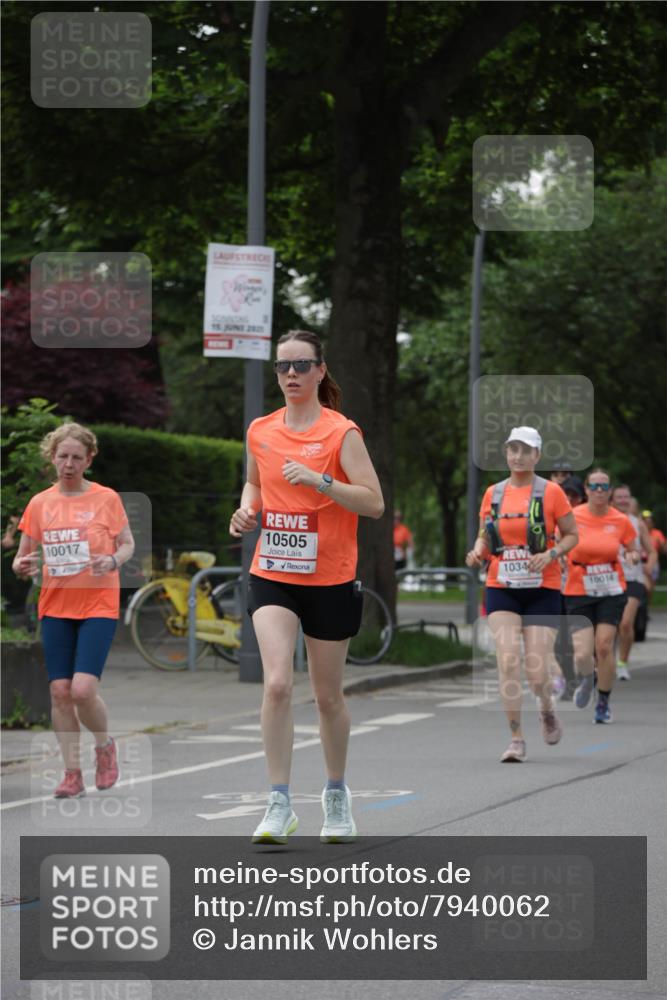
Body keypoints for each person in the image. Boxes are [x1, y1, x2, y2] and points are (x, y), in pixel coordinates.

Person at [230, 330, 384, 844]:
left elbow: (373, 503)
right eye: (283, 367)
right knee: (276, 683)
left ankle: (335, 794)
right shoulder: (261, 430)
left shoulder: (342, 433)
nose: (291, 374)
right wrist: (246, 510)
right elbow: (254, 483)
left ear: (320, 371)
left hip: (330, 576)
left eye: (301, 365)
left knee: (327, 697)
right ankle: (278, 802)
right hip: (273, 570)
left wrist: (321, 481)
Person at [12, 423, 134, 797]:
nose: (69, 464)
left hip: (98, 604)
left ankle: (104, 746)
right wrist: (21, 566)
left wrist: (112, 560)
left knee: (82, 689)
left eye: (77, 457)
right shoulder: (40, 503)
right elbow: (22, 557)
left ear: (89, 459)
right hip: (56, 606)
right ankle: (72, 773)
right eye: (62, 456)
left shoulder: (106, 498)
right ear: (52, 457)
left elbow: (127, 544)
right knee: (60, 691)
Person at [466, 427, 578, 763]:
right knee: (507, 660)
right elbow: (485, 535)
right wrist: (477, 551)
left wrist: (551, 553)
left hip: (542, 588)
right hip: (502, 586)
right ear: (506, 453)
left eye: (526, 450)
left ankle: (546, 709)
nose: (518, 456)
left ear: (537, 455)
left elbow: (572, 535)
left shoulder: (551, 492)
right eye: (513, 449)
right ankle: (516, 738)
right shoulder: (494, 493)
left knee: (537, 671)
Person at [563, 469, 638, 723]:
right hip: (578, 588)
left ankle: (603, 703)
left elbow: (631, 548)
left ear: (610, 491)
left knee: (604, 646)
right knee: (582, 654)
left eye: (603, 486)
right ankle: (588, 679)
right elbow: (557, 543)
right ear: (586, 490)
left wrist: (631, 556)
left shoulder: (620, 520)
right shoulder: (572, 516)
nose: (598, 491)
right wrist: (558, 557)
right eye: (593, 486)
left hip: (610, 588)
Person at [611, 486, 656, 680]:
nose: (623, 500)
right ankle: (605, 661)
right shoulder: (605, 519)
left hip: (632, 579)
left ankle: (622, 664)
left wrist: (649, 567)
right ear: (612, 499)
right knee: (608, 626)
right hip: (609, 579)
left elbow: (652, 551)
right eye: (619, 497)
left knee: (626, 623)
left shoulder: (638, 523)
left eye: (626, 497)